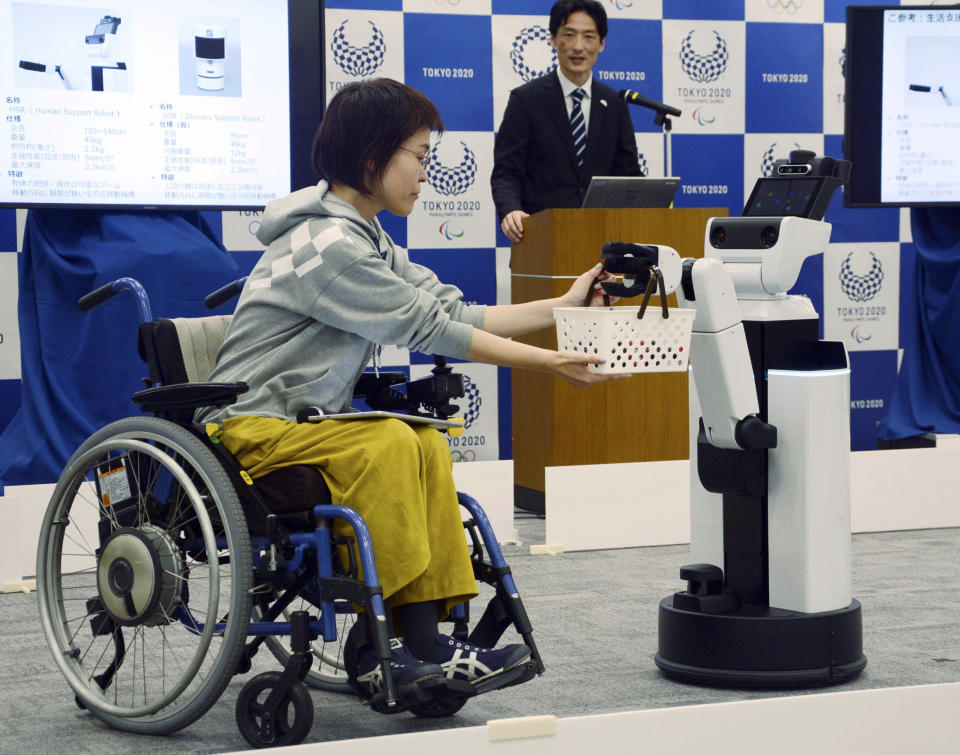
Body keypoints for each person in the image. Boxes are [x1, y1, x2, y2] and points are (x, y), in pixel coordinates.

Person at [197, 78, 626, 703]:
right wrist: (548, 362)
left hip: (303, 425)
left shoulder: (365, 237)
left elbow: (453, 310)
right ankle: (411, 646)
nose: (427, 172)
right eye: (420, 155)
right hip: (252, 428)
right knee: (393, 443)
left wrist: (562, 306)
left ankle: (427, 641)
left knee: (422, 442)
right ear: (373, 157)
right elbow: (433, 329)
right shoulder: (328, 246)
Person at [491, 0, 641, 244]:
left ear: (601, 43)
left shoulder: (614, 103)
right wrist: (510, 210)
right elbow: (506, 172)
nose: (578, 47)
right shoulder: (526, 100)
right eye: (569, 35)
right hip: (542, 240)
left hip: (603, 241)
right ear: (553, 39)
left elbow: (628, 175)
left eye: (589, 37)